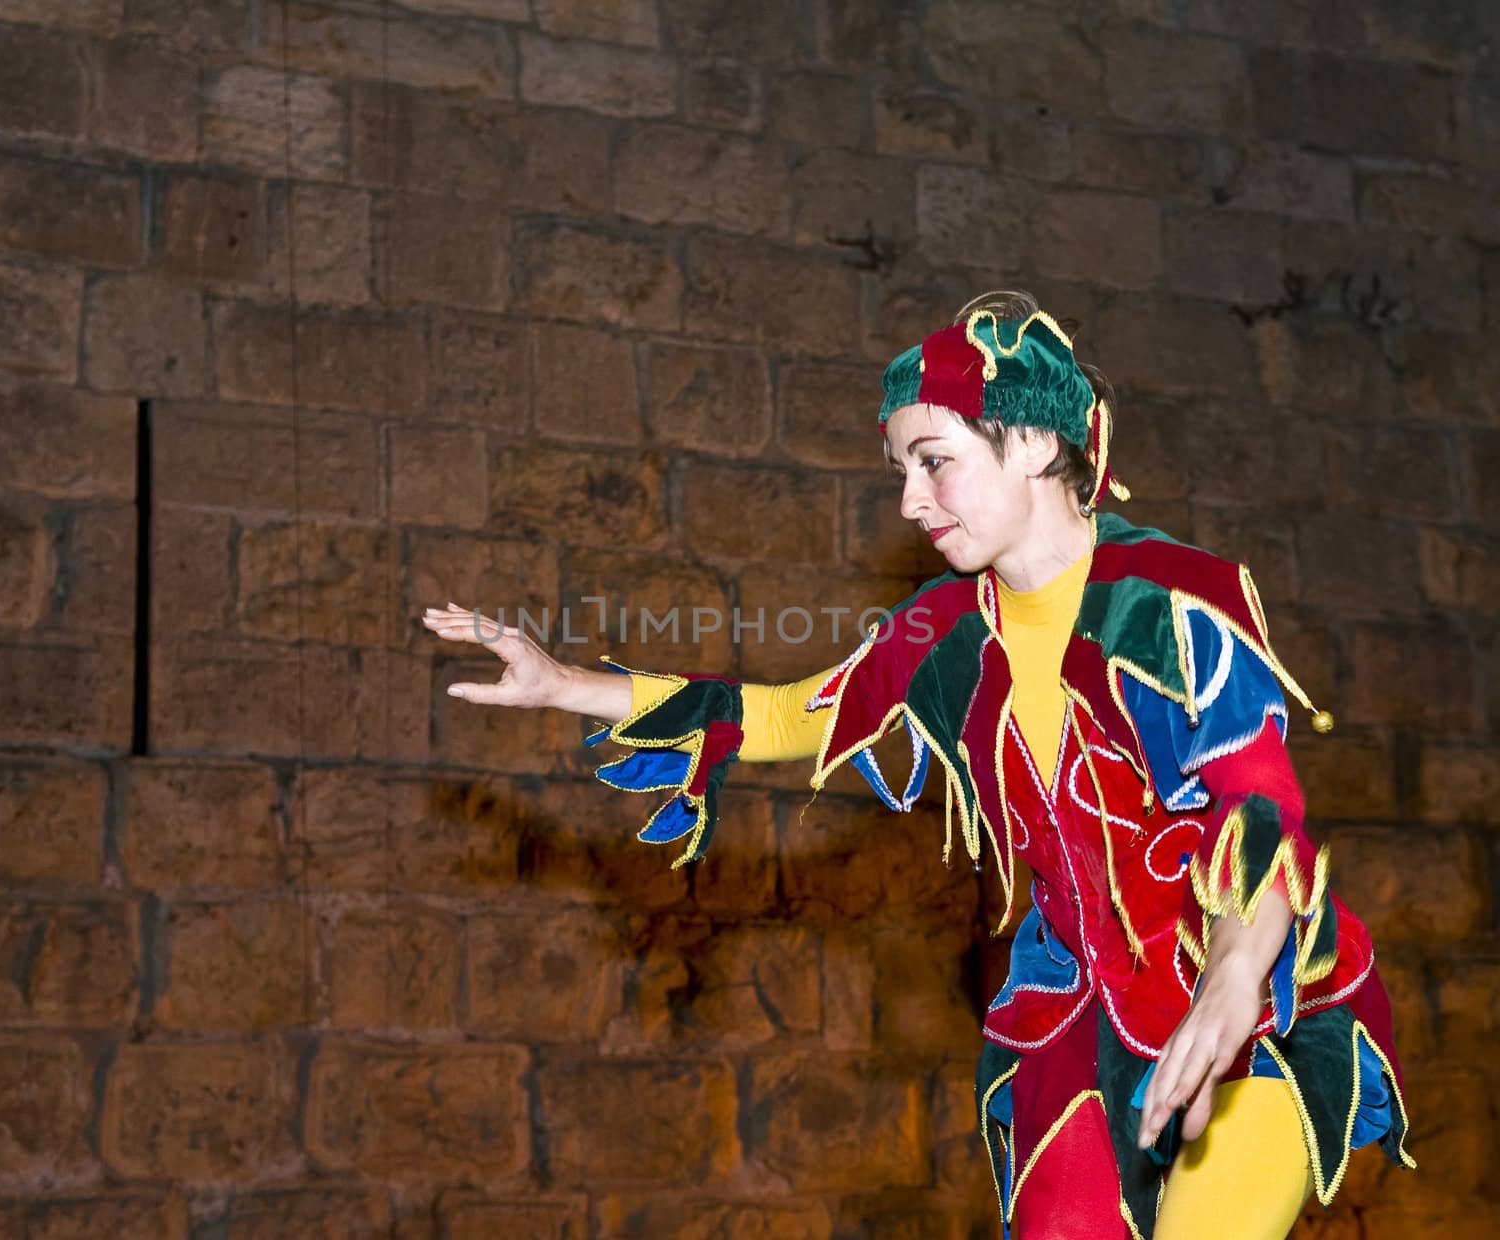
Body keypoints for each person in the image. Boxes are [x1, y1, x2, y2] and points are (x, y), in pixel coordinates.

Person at [422, 291, 1412, 1239]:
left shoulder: (1170, 603)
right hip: (1078, 1013)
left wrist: (1236, 971)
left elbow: (1261, 801)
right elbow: (777, 712)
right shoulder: (942, 633)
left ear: (1029, 441)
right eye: (900, 470)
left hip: (1259, 998)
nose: (908, 500)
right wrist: (567, 686)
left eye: (932, 462)